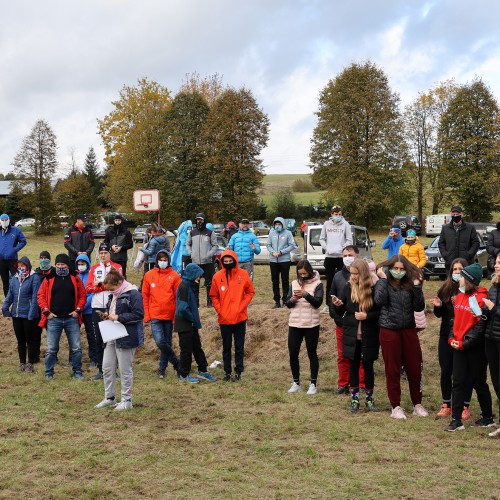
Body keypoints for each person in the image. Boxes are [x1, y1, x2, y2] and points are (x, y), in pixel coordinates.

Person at [374, 255, 428, 420]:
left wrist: (418, 286)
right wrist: (382, 280)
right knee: (393, 369)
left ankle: (417, 404)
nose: (398, 271)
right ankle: (395, 406)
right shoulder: (382, 283)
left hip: (409, 330)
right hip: (389, 330)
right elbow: (379, 300)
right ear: (389, 269)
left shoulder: (410, 285)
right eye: (395, 268)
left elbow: (418, 307)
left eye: (401, 269)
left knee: (415, 368)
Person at [445, 263, 494, 432]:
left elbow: (480, 327)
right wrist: (452, 337)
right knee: (457, 381)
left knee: (478, 382)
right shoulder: (459, 295)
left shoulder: (481, 298)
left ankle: (488, 417)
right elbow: (455, 320)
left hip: (474, 348)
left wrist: (465, 343)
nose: (459, 278)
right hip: (457, 346)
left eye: (462, 276)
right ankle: (456, 420)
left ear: (469, 280)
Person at [333, 259, 380, 412]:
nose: (352, 276)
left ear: (364, 273)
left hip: (369, 334)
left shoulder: (374, 288)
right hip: (351, 334)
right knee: (353, 366)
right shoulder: (348, 287)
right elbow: (342, 311)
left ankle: (369, 399)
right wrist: (337, 305)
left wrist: (367, 317)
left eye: (355, 274)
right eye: (351, 273)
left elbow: (380, 312)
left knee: (368, 367)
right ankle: (354, 399)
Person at [430, 258, 474, 420]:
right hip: (445, 336)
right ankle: (446, 404)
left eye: (460, 269)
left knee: (463, 373)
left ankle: (464, 406)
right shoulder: (445, 289)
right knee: (446, 370)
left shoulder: (470, 290)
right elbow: (439, 315)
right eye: (454, 269)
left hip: (463, 337)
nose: (456, 272)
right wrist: (439, 306)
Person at [94, 269, 144, 411]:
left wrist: (119, 317)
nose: (111, 292)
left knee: (124, 369)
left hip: (127, 336)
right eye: (108, 290)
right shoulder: (113, 295)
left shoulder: (133, 294)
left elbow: (139, 314)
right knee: (107, 367)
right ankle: (109, 397)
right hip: (112, 333)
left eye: (112, 288)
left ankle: (126, 400)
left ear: (120, 282)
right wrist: (107, 315)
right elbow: (113, 311)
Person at [37, 254, 86, 380]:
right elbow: (40, 296)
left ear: (67, 265)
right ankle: (49, 373)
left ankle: (77, 372)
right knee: (51, 349)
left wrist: (78, 310)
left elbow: (82, 295)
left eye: (62, 265)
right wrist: (46, 312)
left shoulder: (75, 278)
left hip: (72, 318)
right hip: (54, 319)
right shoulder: (49, 278)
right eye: (57, 265)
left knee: (76, 348)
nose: (60, 267)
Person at [209, 250, 255, 382]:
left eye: (230, 261)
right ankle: (227, 372)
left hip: (240, 317)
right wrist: (220, 310)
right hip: (224, 318)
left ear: (234, 261)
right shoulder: (217, 276)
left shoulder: (243, 274)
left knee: (239, 346)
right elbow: (213, 295)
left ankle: (238, 372)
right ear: (222, 262)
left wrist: (242, 306)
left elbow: (250, 292)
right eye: (226, 261)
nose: (228, 263)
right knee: (226, 346)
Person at [328, 245, 365, 394]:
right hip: (342, 322)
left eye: (350, 254)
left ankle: (361, 384)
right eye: (344, 255)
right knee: (343, 355)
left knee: (360, 355)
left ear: (357, 256)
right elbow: (331, 296)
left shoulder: (364, 275)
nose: (347, 258)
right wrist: (335, 315)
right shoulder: (337, 276)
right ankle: (343, 383)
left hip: (359, 322)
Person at [285, 260, 323, 395]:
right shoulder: (294, 283)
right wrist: (294, 299)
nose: (302, 276)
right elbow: (287, 303)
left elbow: (318, 303)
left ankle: (313, 383)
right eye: (300, 274)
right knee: (293, 353)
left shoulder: (318, 284)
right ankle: (296, 382)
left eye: (305, 273)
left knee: (312, 353)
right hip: (295, 323)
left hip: (311, 324)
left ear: (310, 271)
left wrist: (306, 295)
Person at [173, 263, 217, 383]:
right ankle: (184, 374)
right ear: (192, 275)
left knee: (197, 348)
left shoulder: (189, 286)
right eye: (198, 276)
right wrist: (192, 319)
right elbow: (182, 308)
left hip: (190, 325)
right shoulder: (184, 287)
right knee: (186, 350)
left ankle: (203, 370)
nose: (200, 278)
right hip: (185, 324)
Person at [86, 242, 123, 380]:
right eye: (101, 253)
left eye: (105, 253)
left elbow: (117, 286)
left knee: (112, 339)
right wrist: (104, 286)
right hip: (96, 307)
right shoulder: (94, 268)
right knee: (99, 339)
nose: (103, 255)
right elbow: (89, 288)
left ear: (110, 253)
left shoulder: (117, 267)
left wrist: (100, 284)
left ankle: (114, 371)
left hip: (111, 307)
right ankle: (101, 370)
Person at [142, 250, 181, 378]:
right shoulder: (149, 275)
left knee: (167, 343)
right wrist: (147, 314)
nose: (163, 262)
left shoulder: (175, 276)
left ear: (169, 261)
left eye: (165, 260)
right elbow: (145, 296)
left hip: (169, 315)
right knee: (160, 341)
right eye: (161, 260)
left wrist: (176, 316)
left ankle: (162, 369)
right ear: (157, 260)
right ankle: (176, 362)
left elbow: (178, 298)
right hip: (155, 314)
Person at [2, 257, 41, 373]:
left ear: (28, 267)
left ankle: (30, 362)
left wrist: (31, 313)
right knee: (20, 340)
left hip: (29, 315)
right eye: (19, 266)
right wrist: (5, 308)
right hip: (16, 314)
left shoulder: (34, 278)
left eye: (23, 266)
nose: (21, 268)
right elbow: (10, 295)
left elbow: (35, 297)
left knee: (30, 340)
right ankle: (22, 362)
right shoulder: (14, 278)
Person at [319, 206, 353, 307]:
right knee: (329, 281)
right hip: (329, 257)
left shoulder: (346, 224)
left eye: (339, 214)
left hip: (341, 257)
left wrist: (342, 249)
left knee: (344, 280)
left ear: (341, 214)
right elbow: (321, 239)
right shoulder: (326, 224)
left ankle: (344, 301)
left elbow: (349, 240)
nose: (337, 216)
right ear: (332, 214)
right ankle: (328, 304)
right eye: (335, 214)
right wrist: (327, 248)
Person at [482, 255, 500, 437]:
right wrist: (483, 312)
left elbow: (496, 309)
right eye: (496, 262)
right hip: (490, 338)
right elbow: (491, 312)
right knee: (496, 381)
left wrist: (493, 309)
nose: (496, 265)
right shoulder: (494, 286)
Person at [186, 213, 217, 306]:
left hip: (207, 262)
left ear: (204, 221)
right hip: (195, 262)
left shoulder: (210, 232)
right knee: (195, 283)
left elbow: (215, 245)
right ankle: (196, 303)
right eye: (198, 220)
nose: (199, 222)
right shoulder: (192, 233)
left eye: (201, 220)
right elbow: (187, 244)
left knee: (209, 282)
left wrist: (209, 254)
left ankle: (209, 302)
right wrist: (190, 253)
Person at [267, 217, 297, 308]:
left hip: (284, 260)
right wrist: (273, 252)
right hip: (273, 260)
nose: (277, 226)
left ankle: (285, 300)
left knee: (285, 280)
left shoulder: (288, 233)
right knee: (275, 281)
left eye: (279, 224)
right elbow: (268, 245)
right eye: (276, 224)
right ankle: (277, 301)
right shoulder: (271, 233)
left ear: (283, 224)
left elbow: (292, 245)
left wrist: (281, 252)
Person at [438, 205, 479, 271]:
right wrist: (446, 255)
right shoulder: (445, 228)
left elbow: (475, 243)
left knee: (465, 281)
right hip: (451, 262)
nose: (455, 216)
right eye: (453, 214)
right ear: (451, 214)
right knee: (451, 280)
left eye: (457, 214)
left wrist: (469, 254)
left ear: (462, 215)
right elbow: (441, 243)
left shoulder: (470, 228)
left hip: (466, 262)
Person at [75, 254, 96, 369]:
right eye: (79, 264)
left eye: (83, 264)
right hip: (76, 310)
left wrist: (82, 306)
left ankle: (94, 359)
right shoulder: (75, 276)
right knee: (74, 335)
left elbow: (92, 293)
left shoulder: (91, 276)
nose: (81, 266)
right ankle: (72, 359)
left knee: (91, 334)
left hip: (88, 310)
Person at [33, 250, 55, 363]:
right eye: (41, 258)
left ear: (49, 259)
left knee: (52, 334)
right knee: (36, 334)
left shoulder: (54, 273)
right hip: (38, 308)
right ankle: (35, 356)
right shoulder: (35, 274)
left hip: (51, 308)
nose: (43, 260)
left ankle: (53, 357)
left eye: (45, 258)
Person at [0, 213, 27, 297]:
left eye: (6, 220)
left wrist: (15, 249)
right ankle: (7, 299)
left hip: (12, 259)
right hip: (1, 260)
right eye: (3, 220)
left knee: (16, 279)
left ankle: (17, 297)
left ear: (8, 220)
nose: (4, 221)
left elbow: (23, 241)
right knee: (5, 281)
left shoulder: (15, 230)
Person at [104, 214, 133, 279]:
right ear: (114, 221)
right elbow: (105, 242)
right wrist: (111, 246)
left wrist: (121, 248)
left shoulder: (126, 232)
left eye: (119, 220)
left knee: (121, 275)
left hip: (122, 258)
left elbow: (131, 244)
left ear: (121, 221)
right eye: (116, 220)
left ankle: (123, 288)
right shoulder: (109, 231)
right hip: (112, 257)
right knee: (111, 276)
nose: (117, 222)